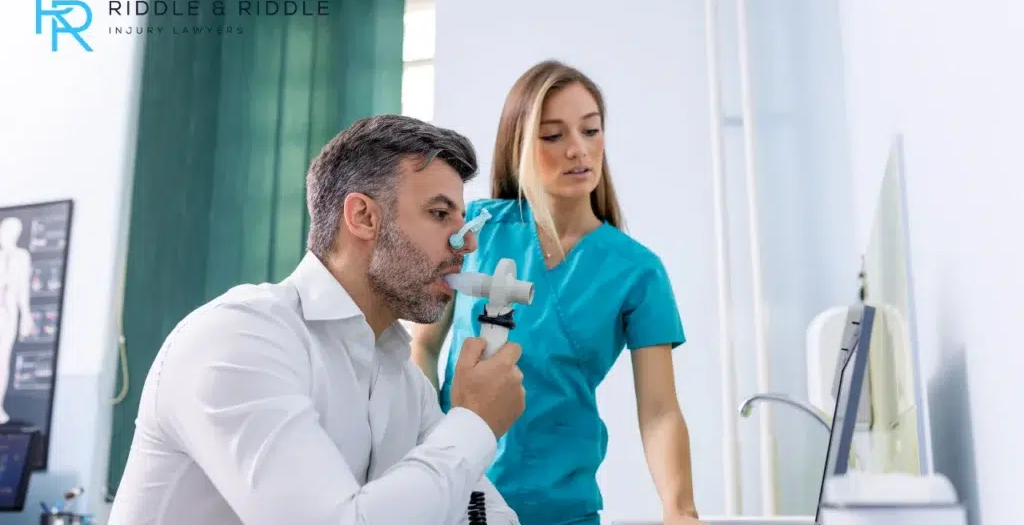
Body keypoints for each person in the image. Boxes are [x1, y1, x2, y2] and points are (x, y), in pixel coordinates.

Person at [109, 115, 525, 525]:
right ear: (363, 217)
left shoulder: (404, 383)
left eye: (462, 220)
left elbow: (487, 515)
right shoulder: (238, 339)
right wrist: (473, 422)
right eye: (439, 214)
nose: (467, 243)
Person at [410, 60, 701, 525]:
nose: (577, 150)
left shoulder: (637, 272)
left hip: (561, 510)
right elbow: (422, 347)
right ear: (519, 144)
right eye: (552, 135)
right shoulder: (475, 231)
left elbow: (660, 410)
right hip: (456, 500)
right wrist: (423, 451)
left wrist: (679, 509)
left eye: (590, 130)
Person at [0, 217, 32, 424]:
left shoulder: (21, 256)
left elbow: (23, 289)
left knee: (2, 359)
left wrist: (26, 315)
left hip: (8, 310)